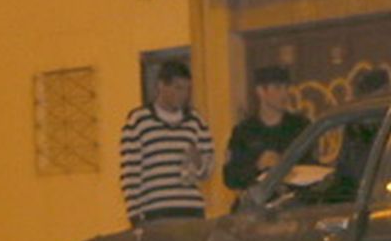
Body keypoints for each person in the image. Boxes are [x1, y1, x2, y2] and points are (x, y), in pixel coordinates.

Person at [118, 59, 213, 225]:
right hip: (155, 212)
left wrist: (198, 160)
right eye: (178, 88)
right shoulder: (138, 121)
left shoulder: (196, 121)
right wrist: (134, 216)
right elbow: (130, 172)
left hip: (192, 211)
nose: (183, 94)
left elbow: (207, 171)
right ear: (161, 85)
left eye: (187, 89)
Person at [222, 65, 309, 208]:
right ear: (261, 91)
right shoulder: (244, 132)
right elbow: (230, 177)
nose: (284, 94)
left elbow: (313, 167)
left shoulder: (299, 127)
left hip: (292, 208)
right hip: (255, 208)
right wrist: (258, 166)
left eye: (286, 88)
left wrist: (285, 166)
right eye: (277, 88)